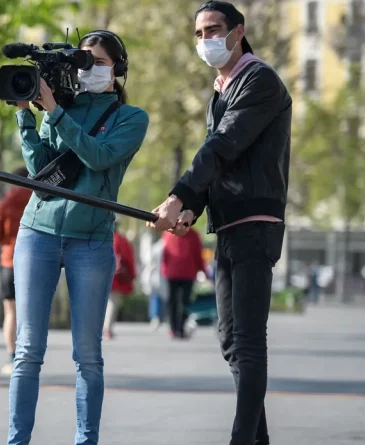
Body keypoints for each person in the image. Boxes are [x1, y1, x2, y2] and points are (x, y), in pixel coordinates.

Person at [149, 2, 291, 445]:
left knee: (246, 341)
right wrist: (194, 206)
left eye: (213, 29)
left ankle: (241, 440)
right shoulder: (223, 89)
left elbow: (224, 146)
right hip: (231, 224)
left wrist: (179, 194)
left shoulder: (259, 80)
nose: (205, 40)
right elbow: (222, 157)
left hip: (255, 222)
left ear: (238, 31)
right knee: (231, 340)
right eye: (198, 33)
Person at [9, 29, 149, 445]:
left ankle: (86, 441)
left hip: (92, 241)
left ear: (117, 70)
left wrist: (53, 112)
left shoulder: (130, 118)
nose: (88, 69)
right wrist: (25, 115)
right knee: (27, 351)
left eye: (98, 62)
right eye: (83, 61)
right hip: (39, 232)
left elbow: (99, 157)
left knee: (88, 356)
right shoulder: (62, 107)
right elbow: (41, 177)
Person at [0, 166, 34, 376]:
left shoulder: (6, 201)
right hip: (34, 259)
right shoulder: (38, 196)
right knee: (32, 312)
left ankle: (12, 357)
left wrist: (7, 242)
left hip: (10, 261)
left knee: (11, 312)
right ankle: (30, 356)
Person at [160, 227, 206, 339]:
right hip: (188, 272)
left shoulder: (168, 233)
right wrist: (202, 269)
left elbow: (164, 253)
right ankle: (180, 328)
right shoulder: (194, 234)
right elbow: (197, 253)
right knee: (185, 301)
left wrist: (164, 269)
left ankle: (173, 327)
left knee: (172, 300)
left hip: (171, 272)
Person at [102, 227, 136, 340]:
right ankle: (107, 329)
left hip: (100, 275)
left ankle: (99, 328)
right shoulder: (121, 240)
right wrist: (132, 274)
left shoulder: (100, 238)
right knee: (112, 303)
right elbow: (128, 258)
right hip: (115, 277)